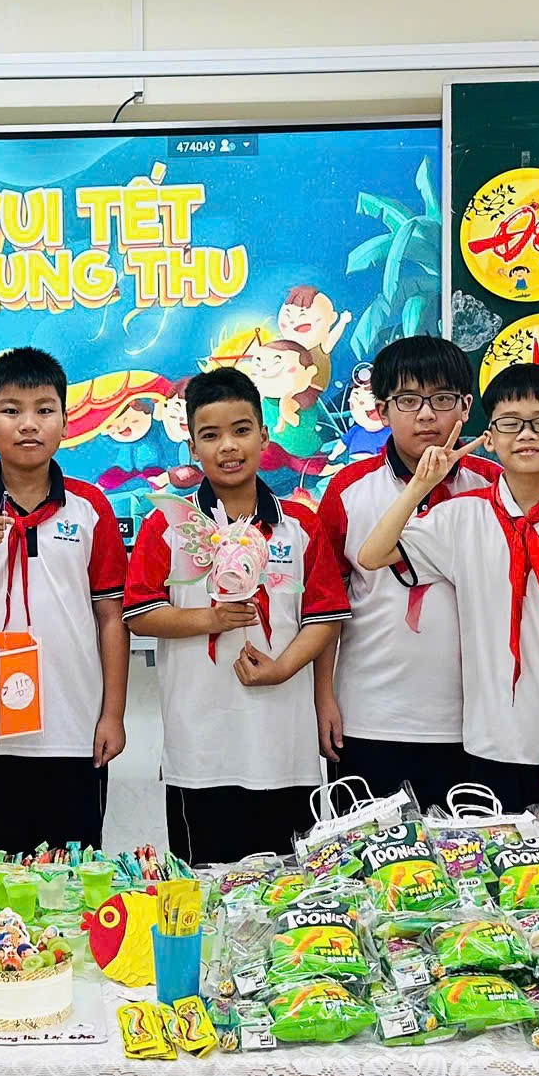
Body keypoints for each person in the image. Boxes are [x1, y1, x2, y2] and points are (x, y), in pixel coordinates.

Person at [354, 363, 539, 837]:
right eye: (510, 424)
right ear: (490, 439)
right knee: (499, 875)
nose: (526, 435)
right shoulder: (463, 516)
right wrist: (422, 485)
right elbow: (373, 555)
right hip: (491, 742)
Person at [123, 366, 349, 863]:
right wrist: (210, 619)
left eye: (241, 430)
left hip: (285, 746)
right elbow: (139, 612)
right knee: (206, 884)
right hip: (200, 750)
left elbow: (325, 618)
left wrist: (283, 669)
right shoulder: (167, 524)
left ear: (264, 436)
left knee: (291, 887)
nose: (228, 446)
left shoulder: (299, 524)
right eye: (210, 435)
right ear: (192, 447)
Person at [0, 347, 131, 856]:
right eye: (10, 410)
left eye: (44, 409)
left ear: (65, 421)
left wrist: (112, 715)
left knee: (71, 881)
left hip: (72, 729)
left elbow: (111, 618)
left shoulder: (90, 506)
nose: (28, 424)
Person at [311, 335, 495, 812]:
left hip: (474, 721)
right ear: (382, 410)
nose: (427, 415)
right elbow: (326, 607)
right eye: (409, 400)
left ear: (466, 407)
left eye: (442, 399)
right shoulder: (348, 489)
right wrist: (324, 697)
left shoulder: (495, 487)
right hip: (370, 716)